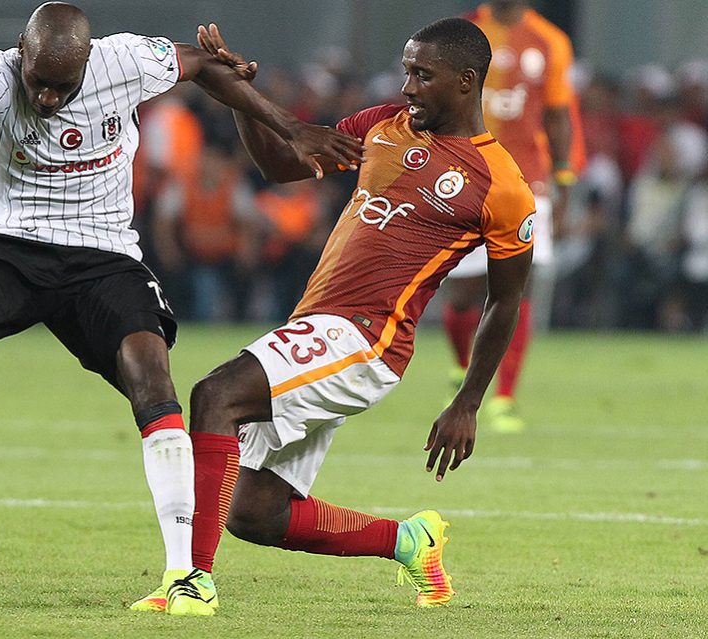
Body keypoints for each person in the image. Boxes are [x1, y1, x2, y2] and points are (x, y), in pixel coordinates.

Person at [0, 1, 363, 618]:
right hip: (11, 244)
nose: (50, 98)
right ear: (20, 56)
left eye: (65, 85)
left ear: (88, 60)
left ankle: (185, 575)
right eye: (39, 83)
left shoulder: (125, 60)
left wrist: (288, 126)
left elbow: (205, 69)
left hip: (103, 256)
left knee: (152, 379)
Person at [135, 18, 534, 610]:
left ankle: (191, 582)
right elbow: (283, 166)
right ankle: (410, 541)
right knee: (254, 512)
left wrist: (468, 402)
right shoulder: (384, 126)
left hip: (367, 339)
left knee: (216, 394)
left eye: (422, 75)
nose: (407, 86)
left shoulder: (502, 186)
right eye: (406, 71)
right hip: (319, 325)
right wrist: (243, 99)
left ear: (466, 82)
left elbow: (505, 299)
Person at [441, 0, 580, 432]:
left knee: (518, 288)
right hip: (465, 175)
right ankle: (463, 366)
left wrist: (564, 179)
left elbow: (557, 113)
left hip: (527, 180)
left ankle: (503, 396)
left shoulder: (551, 41)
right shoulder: (459, 32)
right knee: (462, 293)